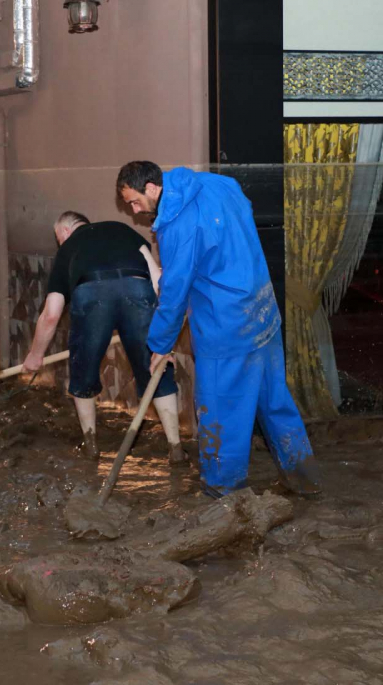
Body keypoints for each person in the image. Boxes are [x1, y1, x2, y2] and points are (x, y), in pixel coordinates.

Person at [117, 160, 321, 498]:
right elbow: (239, 217)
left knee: (219, 410)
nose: (136, 211)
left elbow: (174, 293)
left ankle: (222, 493)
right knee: (274, 401)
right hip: (262, 311)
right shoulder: (217, 184)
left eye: (135, 202)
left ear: (152, 188)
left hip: (226, 328)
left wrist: (160, 344)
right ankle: (304, 477)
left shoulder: (178, 227)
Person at [23, 211, 188, 464]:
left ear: (65, 232)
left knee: (83, 371)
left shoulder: (68, 249)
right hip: (138, 289)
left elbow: (51, 314)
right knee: (155, 366)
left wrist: (35, 356)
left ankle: (91, 447)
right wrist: (162, 339)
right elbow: (158, 281)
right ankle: (176, 448)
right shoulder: (123, 229)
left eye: (58, 238)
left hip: (91, 294)